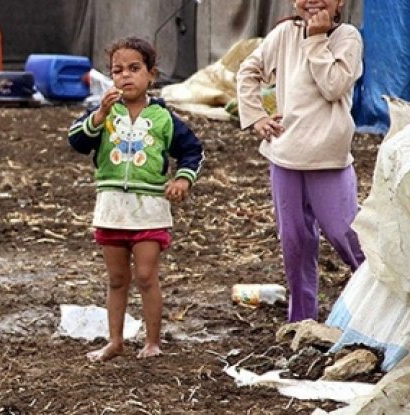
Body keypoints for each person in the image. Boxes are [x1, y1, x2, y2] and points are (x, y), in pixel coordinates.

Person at [68, 36, 204, 362]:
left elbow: (192, 151)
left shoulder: (163, 118)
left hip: (150, 209)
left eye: (134, 68)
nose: (125, 76)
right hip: (112, 207)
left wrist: (183, 180)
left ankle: (152, 341)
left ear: (151, 74)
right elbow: (76, 141)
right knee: (117, 279)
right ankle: (114, 341)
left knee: (145, 276)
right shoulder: (103, 113)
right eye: (117, 70)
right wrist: (99, 115)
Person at [236, 0, 365, 323]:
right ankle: (302, 319)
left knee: (345, 234)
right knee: (295, 241)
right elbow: (248, 72)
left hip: (328, 157)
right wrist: (256, 118)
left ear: (341, 2)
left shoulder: (347, 37)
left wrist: (316, 38)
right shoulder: (283, 33)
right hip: (285, 155)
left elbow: (334, 86)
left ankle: (381, 304)